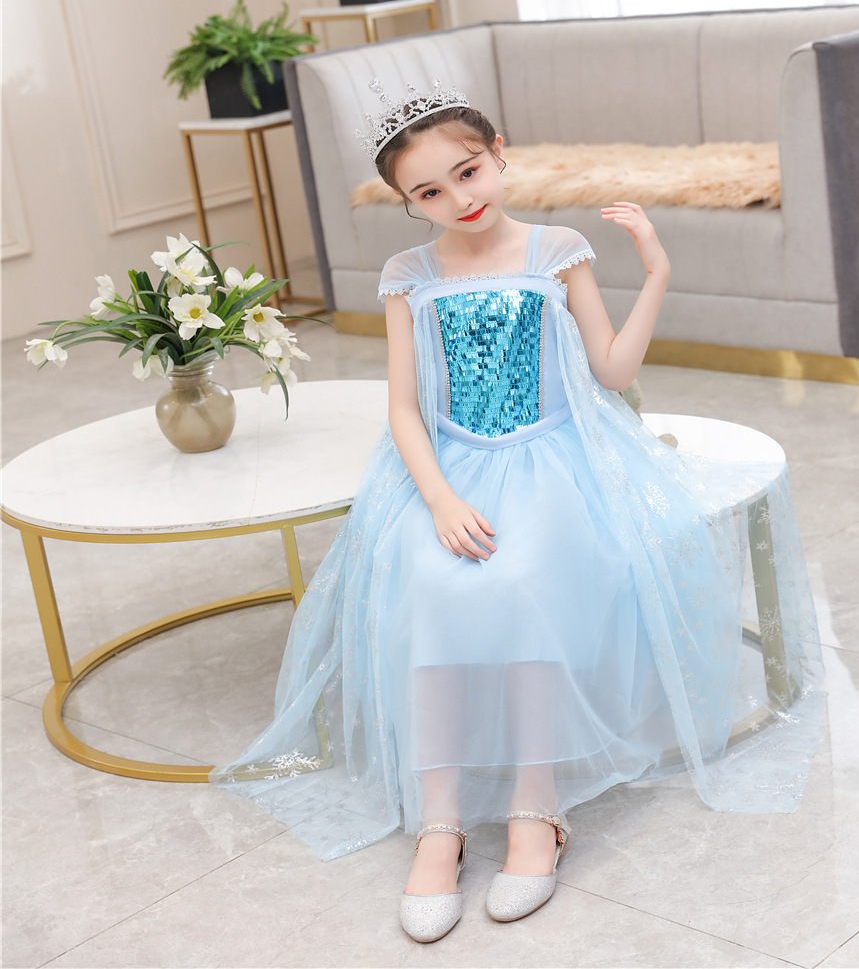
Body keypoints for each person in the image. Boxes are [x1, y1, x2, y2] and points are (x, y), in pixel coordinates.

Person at [212, 80, 825, 943]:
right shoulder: (409, 275)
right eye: (429, 192)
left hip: (553, 460)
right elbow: (403, 408)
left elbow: (611, 372)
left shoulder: (556, 250)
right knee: (429, 586)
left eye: (468, 173)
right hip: (450, 467)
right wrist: (439, 496)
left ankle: (538, 810)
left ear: (497, 152)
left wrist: (656, 272)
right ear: (407, 202)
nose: (459, 200)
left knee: (526, 583)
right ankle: (440, 820)